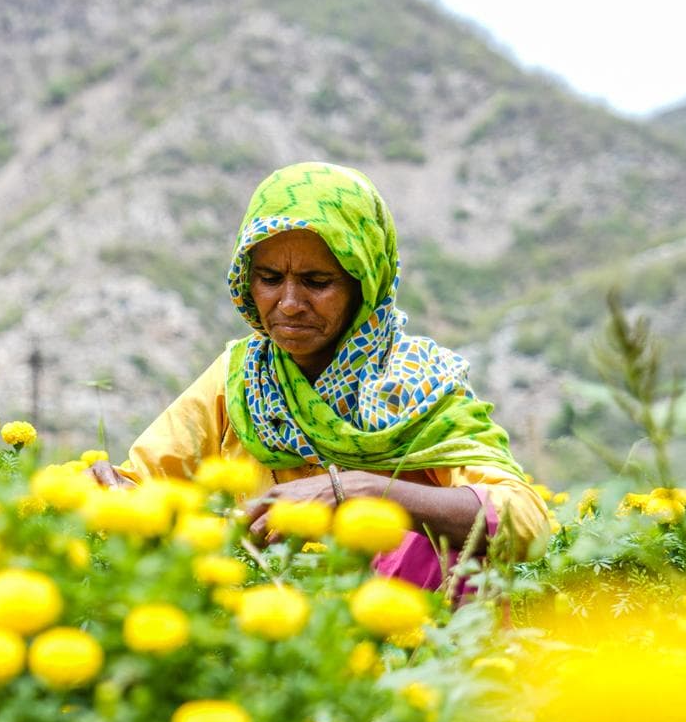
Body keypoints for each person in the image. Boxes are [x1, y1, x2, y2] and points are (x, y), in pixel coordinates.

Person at [87, 161, 550, 586]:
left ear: (364, 283)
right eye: (269, 278)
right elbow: (146, 483)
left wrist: (362, 491)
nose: (288, 304)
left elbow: (524, 522)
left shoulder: (420, 386)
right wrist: (114, 492)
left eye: (317, 282)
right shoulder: (240, 379)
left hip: (407, 651)